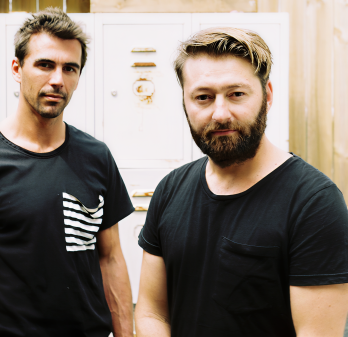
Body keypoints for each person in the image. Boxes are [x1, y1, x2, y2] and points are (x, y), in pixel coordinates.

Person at [135, 28, 348, 337]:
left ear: (267, 96)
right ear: (185, 102)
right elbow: (151, 312)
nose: (220, 114)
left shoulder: (314, 203)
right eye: (203, 97)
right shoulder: (170, 190)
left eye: (236, 94)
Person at [0, 8, 134, 337]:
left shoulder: (97, 156)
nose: (58, 80)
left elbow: (111, 258)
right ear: (17, 69)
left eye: (70, 68)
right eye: (45, 64)